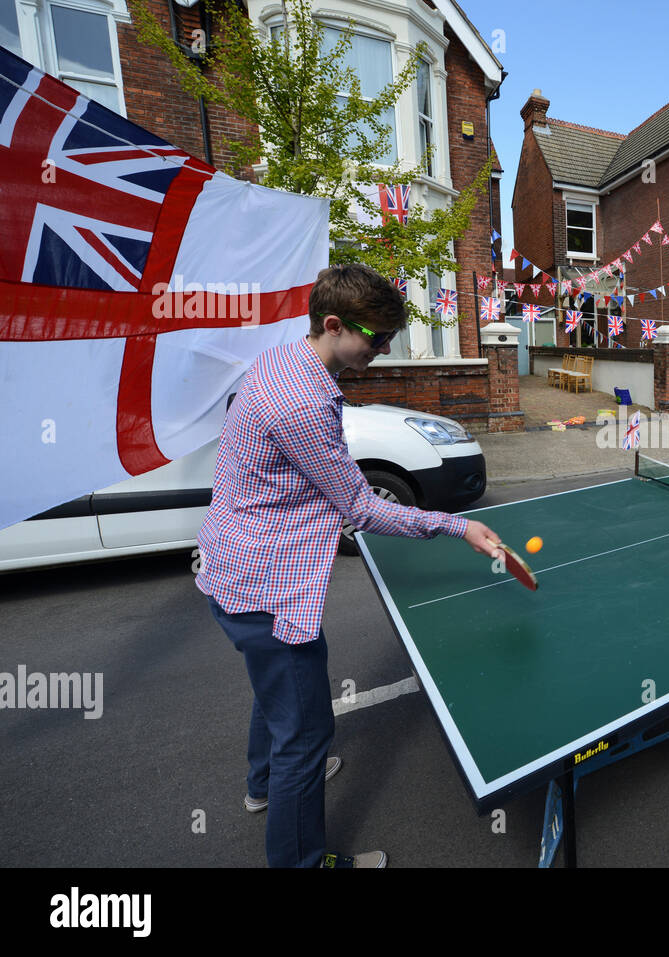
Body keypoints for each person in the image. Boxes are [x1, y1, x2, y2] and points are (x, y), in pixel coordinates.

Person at [196, 264, 503, 868]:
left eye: (390, 340)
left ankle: (262, 787)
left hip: (231, 571)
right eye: (376, 338)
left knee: (275, 696)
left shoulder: (280, 359)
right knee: (305, 739)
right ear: (333, 325)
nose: (383, 352)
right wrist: (456, 523)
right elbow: (360, 507)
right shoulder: (306, 401)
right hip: (268, 589)